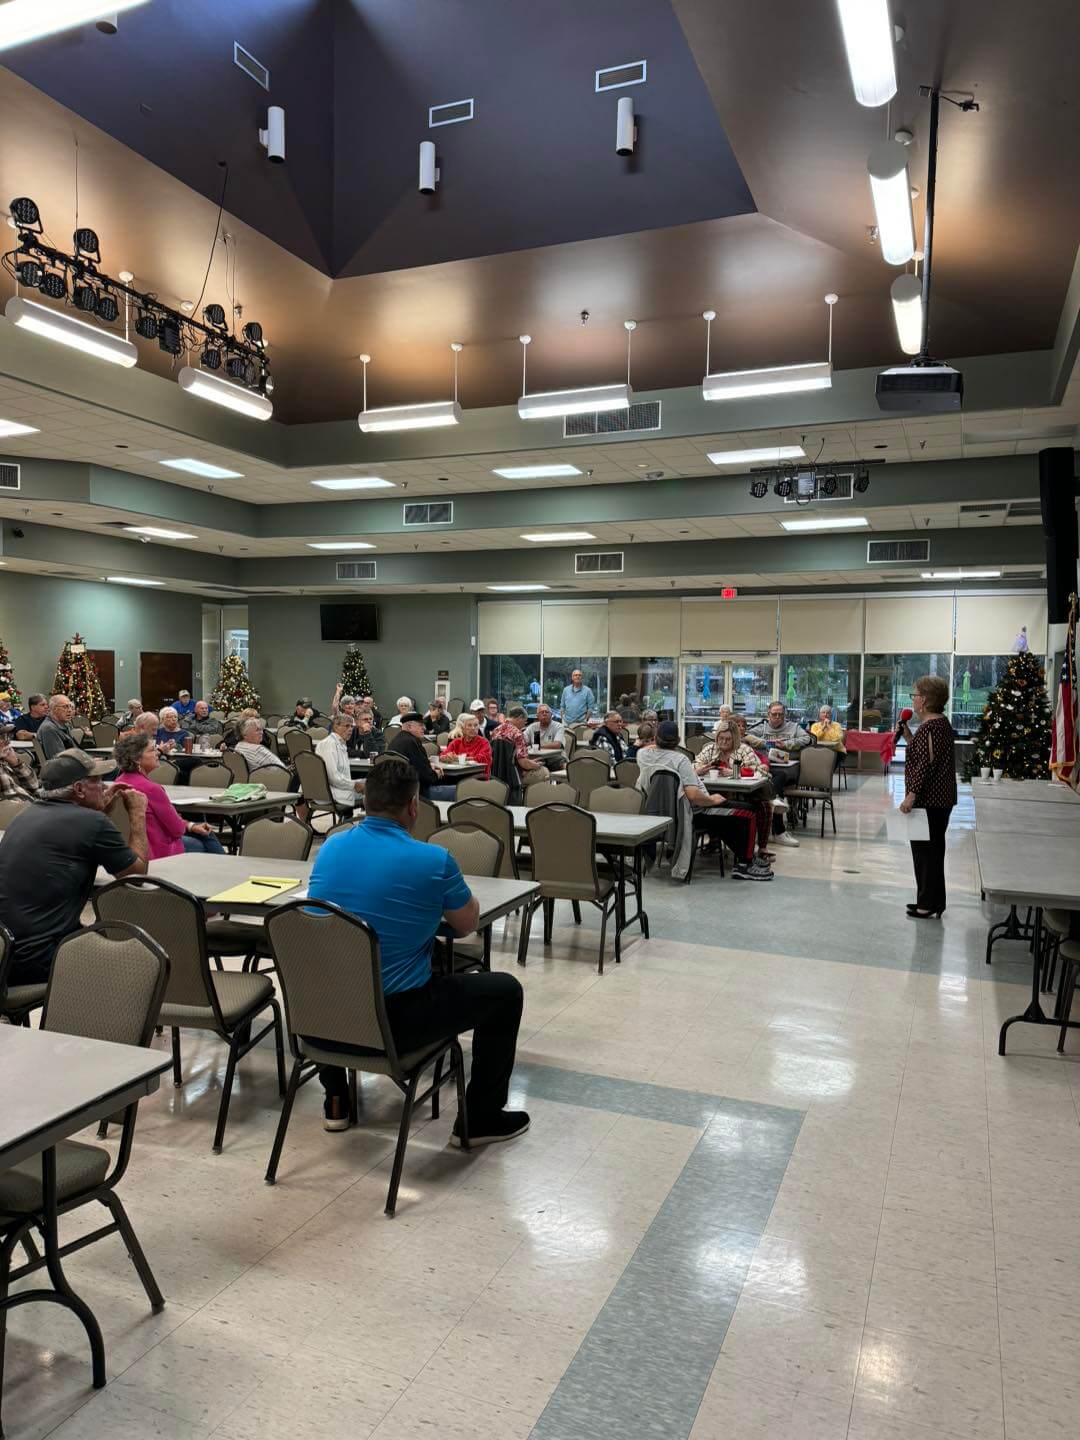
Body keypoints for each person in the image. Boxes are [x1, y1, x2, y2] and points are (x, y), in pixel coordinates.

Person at [305, 756, 527, 1143]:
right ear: (413, 807)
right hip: (392, 1023)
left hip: (324, 1021)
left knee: (337, 967)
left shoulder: (331, 848)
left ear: (365, 802)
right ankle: (480, 1120)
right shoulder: (433, 860)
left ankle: (337, 1097)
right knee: (505, 991)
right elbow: (466, 923)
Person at [0, 748, 148, 985]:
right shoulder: (92, 822)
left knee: (94, 932)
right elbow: (136, 875)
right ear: (79, 789)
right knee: (139, 959)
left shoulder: (25, 815)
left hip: (6, 954)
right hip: (38, 959)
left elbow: (79, 836)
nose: (104, 786)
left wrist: (99, 808)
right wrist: (138, 815)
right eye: (97, 781)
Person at [637, 721, 771, 881]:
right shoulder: (680, 760)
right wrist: (712, 799)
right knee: (748, 812)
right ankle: (745, 865)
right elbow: (693, 795)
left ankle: (744, 856)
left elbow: (646, 748)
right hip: (692, 811)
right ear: (678, 740)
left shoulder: (643, 756)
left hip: (663, 812)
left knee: (730, 816)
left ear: (655, 739)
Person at [112, 731, 225, 858]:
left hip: (130, 846)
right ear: (137, 759)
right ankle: (224, 866)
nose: (157, 753)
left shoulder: (119, 782)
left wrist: (191, 826)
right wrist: (186, 824)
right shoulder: (152, 789)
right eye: (151, 750)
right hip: (156, 849)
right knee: (206, 838)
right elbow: (177, 830)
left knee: (200, 831)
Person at [899, 675, 957, 918]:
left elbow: (924, 765)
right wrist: (908, 736)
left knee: (924, 854)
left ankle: (925, 904)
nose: (912, 700)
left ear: (924, 700)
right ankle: (933, 901)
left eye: (914, 695)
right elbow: (927, 755)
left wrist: (910, 796)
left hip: (928, 800)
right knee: (934, 851)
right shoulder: (941, 725)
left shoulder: (929, 729)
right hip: (942, 799)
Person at [695, 718, 775, 867]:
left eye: (728, 739)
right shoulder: (710, 749)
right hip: (714, 793)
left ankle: (761, 848)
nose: (723, 742)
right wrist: (702, 768)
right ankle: (714, 841)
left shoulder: (743, 750)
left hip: (743, 794)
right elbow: (694, 765)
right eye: (721, 738)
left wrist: (734, 772)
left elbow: (759, 770)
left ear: (735, 739)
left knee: (763, 805)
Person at [744, 701, 810, 849]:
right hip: (767, 768)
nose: (777, 717)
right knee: (770, 782)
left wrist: (786, 744)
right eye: (774, 714)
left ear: (784, 715)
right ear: (768, 715)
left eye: (781, 714)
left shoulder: (794, 727)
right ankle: (777, 826)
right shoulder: (762, 727)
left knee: (776, 779)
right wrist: (767, 743)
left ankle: (771, 828)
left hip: (789, 768)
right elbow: (746, 735)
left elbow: (807, 739)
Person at [388, 712, 457, 800]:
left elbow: (414, 765)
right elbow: (426, 777)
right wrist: (436, 774)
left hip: (395, 792)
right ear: (409, 727)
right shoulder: (412, 742)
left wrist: (429, 765)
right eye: (420, 725)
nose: (424, 728)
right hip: (417, 793)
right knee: (459, 790)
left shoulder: (395, 740)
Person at [316, 714, 365, 812]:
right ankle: (369, 825)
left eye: (352, 726)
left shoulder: (339, 743)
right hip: (330, 793)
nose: (350, 729)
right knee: (376, 792)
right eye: (347, 726)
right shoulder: (329, 744)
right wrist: (355, 785)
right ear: (335, 727)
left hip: (338, 788)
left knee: (373, 782)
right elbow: (333, 777)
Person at [492, 705, 549, 787]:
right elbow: (523, 763)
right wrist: (535, 765)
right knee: (544, 771)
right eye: (524, 722)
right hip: (514, 776)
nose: (524, 725)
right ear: (519, 718)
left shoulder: (496, 730)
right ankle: (531, 799)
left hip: (496, 774)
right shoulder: (517, 734)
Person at [441, 711, 493, 778]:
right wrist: (447, 757)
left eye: (476, 725)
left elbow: (483, 759)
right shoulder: (456, 742)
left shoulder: (484, 742)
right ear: (463, 729)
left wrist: (460, 759)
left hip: (478, 778)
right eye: (469, 725)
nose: (473, 728)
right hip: (458, 776)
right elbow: (442, 755)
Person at [37, 694, 79, 760]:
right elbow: (58, 760)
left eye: (70, 707)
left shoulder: (64, 725)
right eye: (65, 707)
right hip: (66, 768)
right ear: (54, 709)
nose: (70, 710)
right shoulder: (49, 729)